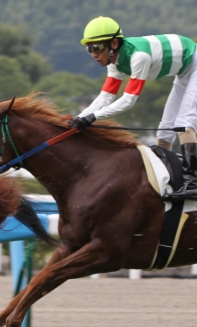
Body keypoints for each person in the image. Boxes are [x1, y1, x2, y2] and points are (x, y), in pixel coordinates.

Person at [74, 16, 197, 194]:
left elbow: (128, 100)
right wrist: (79, 118)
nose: (93, 53)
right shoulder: (114, 62)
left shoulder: (139, 57)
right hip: (184, 72)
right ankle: (167, 178)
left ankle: (193, 181)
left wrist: (92, 117)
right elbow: (106, 97)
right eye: (89, 48)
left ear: (114, 44)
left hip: (194, 64)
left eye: (97, 47)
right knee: (165, 131)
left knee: (184, 124)